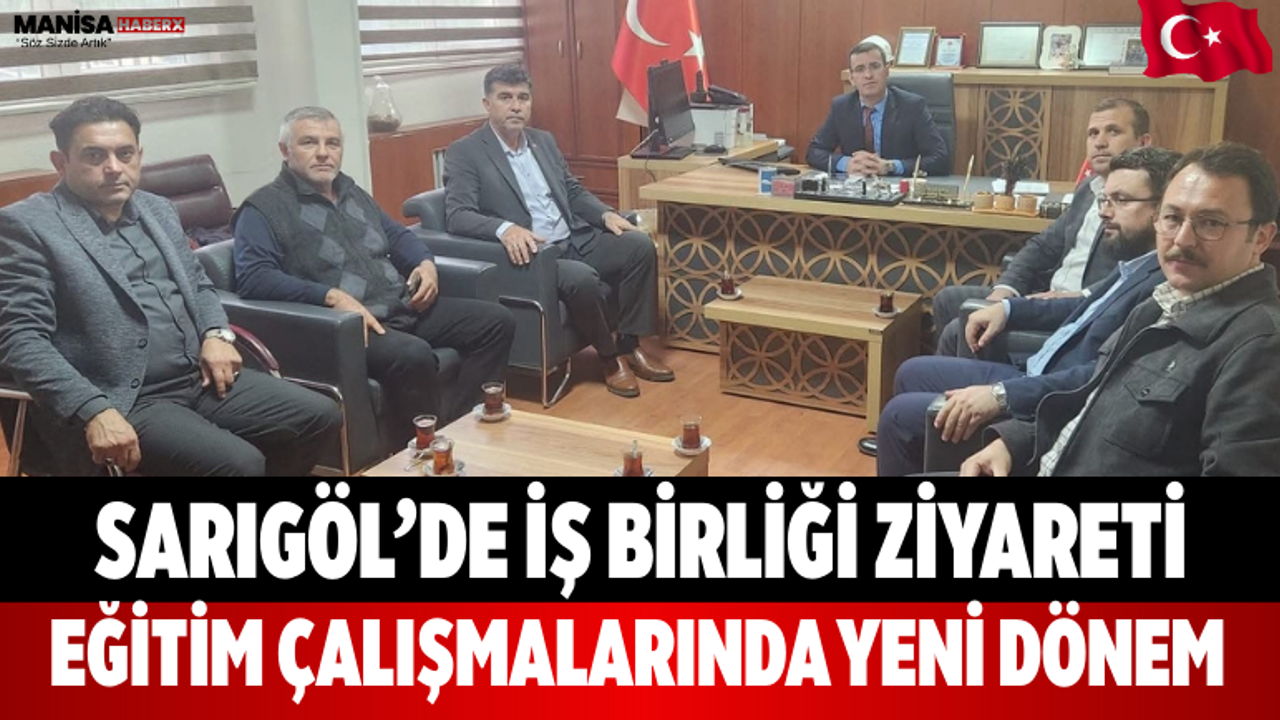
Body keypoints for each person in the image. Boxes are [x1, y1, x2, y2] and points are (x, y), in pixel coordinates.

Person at [0, 96, 342, 476]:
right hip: (122, 396)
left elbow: (198, 284)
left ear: (139, 156)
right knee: (239, 464)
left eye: (124, 154)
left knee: (319, 415)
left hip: (199, 377)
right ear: (61, 162)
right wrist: (92, 409)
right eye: (94, 156)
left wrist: (216, 334)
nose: (113, 168)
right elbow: (20, 339)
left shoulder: (157, 209)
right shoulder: (28, 226)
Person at [962, 142, 1280, 476]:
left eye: (1211, 223)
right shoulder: (1160, 304)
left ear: (1261, 237)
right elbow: (1091, 403)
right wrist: (1015, 442)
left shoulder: (1261, 348)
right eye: (1172, 218)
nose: (1182, 239)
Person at [874, 147, 1180, 475]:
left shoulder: (1164, 284)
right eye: (1105, 199)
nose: (1105, 212)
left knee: (898, 417)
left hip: (1047, 401)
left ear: (1161, 210)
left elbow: (1101, 377)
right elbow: (1082, 305)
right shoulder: (1139, 264)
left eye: (1120, 200)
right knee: (911, 372)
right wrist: (1008, 307)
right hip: (1036, 371)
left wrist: (1002, 395)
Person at [234, 107, 515, 438]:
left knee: (496, 322)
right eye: (309, 143)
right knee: (412, 355)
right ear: (285, 150)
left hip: (402, 305)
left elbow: (397, 235)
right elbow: (254, 277)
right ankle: (425, 448)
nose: (323, 153)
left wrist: (425, 264)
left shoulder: (351, 191)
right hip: (351, 327)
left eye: (332, 143)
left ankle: (459, 428)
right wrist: (330, 297)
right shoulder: (262, 209)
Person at [444, 64, 674, 398]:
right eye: (505, 98)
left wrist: (604, 214)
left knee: (639, 247)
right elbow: (458, 216)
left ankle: (629, 345)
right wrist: (504, 229)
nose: (516, 106)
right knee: (582, 280)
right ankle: (609, 359)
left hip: (575, 237)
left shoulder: (543, 141)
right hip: (537, 255)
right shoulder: (466, 152)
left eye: (523, 98)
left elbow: (571, 190)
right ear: (486, 104)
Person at [930, 98, 1155, 357]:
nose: (1100, 142)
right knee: (947, 300)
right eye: (1093, 133)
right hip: (1047, 296)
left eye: (1113, 131)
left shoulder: (1149, 203)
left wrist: (1078, 295)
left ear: (1143, 142)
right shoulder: (1087, 189)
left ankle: (956, 380)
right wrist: (1005, 288)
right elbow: (1042, 246)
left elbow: (1140, 275)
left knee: (957, 331)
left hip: (1083, 313)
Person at [806, 36, 949, 177]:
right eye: (860, 69)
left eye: (874, 67)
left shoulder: (912, 106)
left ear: (886, 71)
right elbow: (814, 151)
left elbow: (940, 158)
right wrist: (846, 164)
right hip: (855, 186)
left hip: (897, 185)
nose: (868, 75)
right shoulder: (841, 107)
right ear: (852, 78)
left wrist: (890, 166)